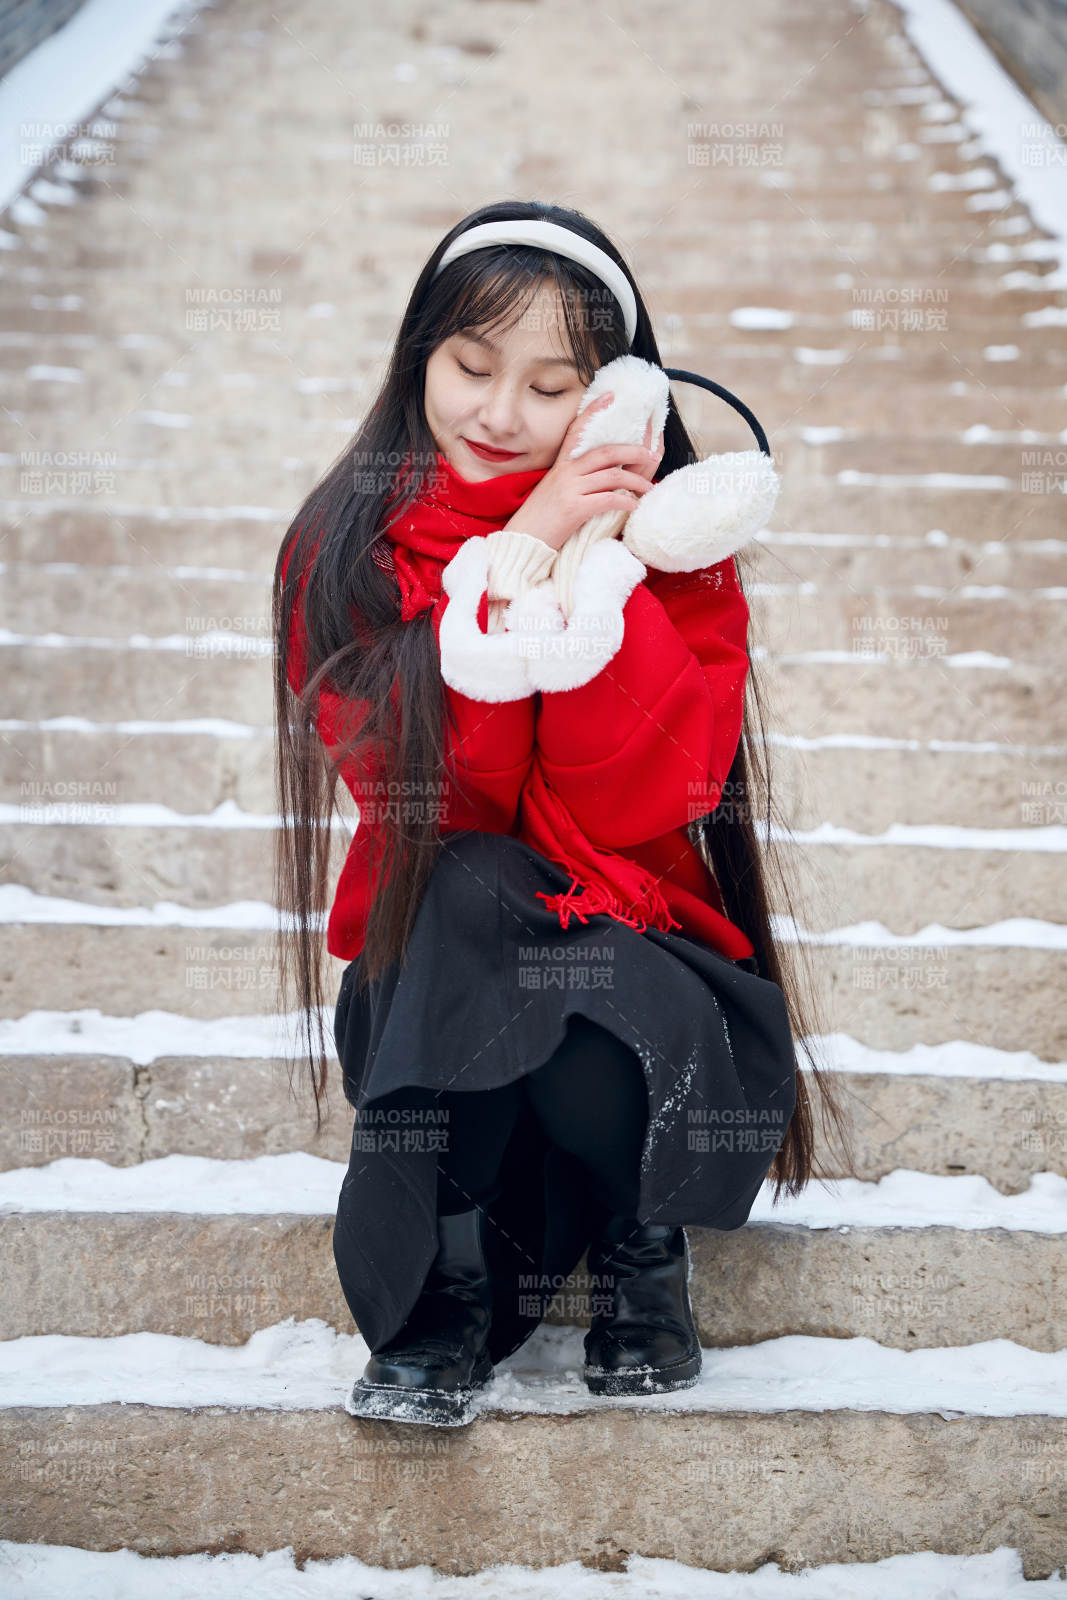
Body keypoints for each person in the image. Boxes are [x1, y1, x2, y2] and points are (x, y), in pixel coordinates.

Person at [272, 199, 854, 1427]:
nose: (496, 414)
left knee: (539, 933)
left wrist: (596, 566)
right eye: (470, 367)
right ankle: (442, 1296)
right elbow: (441, 803)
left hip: (632, 1021)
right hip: (435, 1016)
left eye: (548, 387)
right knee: (475, 881)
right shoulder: (344, 550)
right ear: (415, 356)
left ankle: (643, 1252)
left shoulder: (676, 562)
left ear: (611, 402)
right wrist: (511, 559)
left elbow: (643, 798)